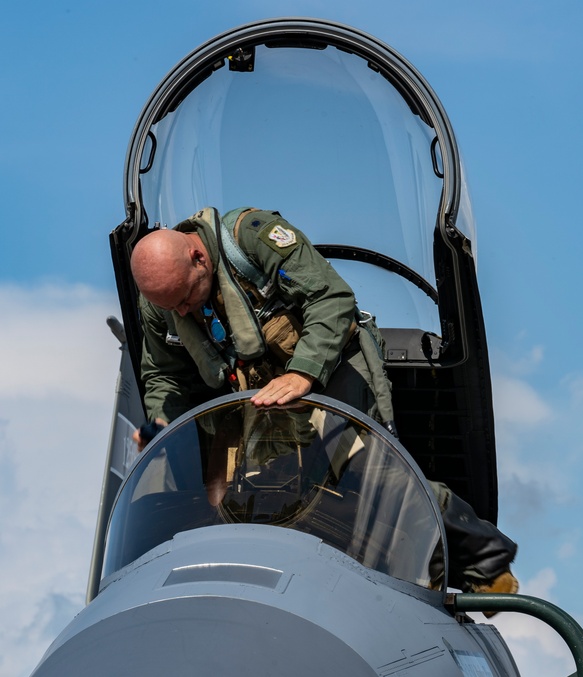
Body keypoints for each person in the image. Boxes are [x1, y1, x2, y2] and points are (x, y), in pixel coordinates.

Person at [130, 206, 518, 602]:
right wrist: (164, 424)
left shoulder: (252, 237)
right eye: (169, 306)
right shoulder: (162, 301)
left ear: (198, 258)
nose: (180, 311)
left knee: (363, 468)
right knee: (233, 492)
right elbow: (163, 374)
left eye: (184, 297)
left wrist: (304, 372)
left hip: (330, 363)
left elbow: (331, 298)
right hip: (260, 391)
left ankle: (484, 558)